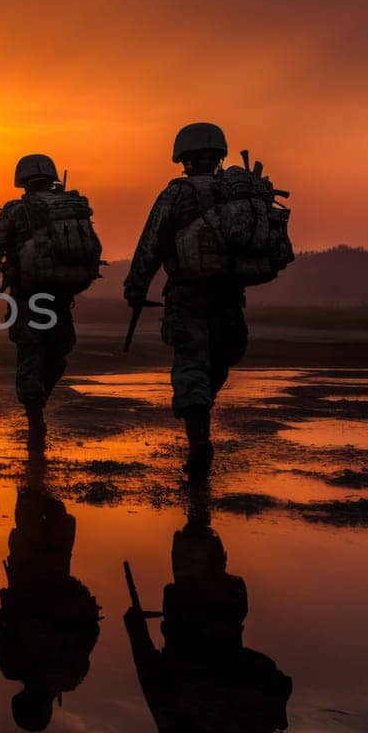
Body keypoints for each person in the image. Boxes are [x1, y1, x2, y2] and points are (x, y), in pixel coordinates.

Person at [123, 487, 293, 733]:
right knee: (193, 539)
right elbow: (148, 672)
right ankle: (198, 502)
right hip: (190, 613)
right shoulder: (176, 732)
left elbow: (276, 681)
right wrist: (134, 629)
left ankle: (199, 505)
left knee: (199, 541)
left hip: (228, 604)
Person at [125, 123, 247, 477]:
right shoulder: (236, 194)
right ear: (220, 154)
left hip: (187, 295)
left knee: (191, 365)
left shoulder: (176, 195)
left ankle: (198, 442)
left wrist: (136, 286)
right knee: (219, 361)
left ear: (183, 157)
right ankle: (201, 421)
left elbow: (151, 245)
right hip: (230, 296)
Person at [0, 154, 102, 449]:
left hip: (29, 297)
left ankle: (34, 413)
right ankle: (38, 404)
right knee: (58, 351)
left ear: (22, 180)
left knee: (31, 351)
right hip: (61, 297)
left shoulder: (16, 210)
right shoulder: (71, 206)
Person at [0, 466, 101, 732]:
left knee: (54, 506)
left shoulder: (72, 674)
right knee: (30, 498)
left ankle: (42, 461)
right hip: (28, 571)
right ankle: (36, 459)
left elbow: (91, 630)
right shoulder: (13, 666)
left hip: (56, 571)